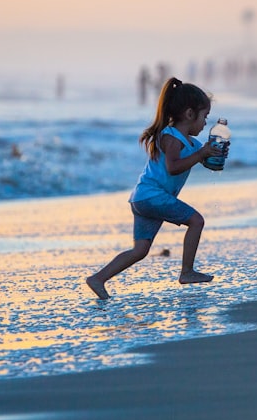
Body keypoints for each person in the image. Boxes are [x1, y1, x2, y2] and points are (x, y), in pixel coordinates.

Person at [86, 78, 226, 300]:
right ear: (190, 114)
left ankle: (98, 278)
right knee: (196, 221)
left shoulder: (189, 141)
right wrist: (201, 154)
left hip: (142, 199)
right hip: (153, 197)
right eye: (204, 117)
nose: (204, 124)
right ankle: (187, 272)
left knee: (140, 250)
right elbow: (173, 168)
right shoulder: (171, 138)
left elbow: (207, 162)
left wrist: (215, 156)